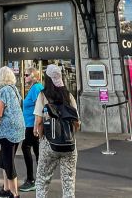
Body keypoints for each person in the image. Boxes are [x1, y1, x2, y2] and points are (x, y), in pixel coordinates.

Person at [34, 64, 80, 198]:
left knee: (42, 178)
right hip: (69, 144)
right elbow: (76, 122)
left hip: (49, 143)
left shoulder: (43, 95)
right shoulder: (68, 96)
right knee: (69, 181)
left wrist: (40, 136)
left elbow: (38, 122)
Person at [0, 67, 25, 198]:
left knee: (8, 162)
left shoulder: (4, 91)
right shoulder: (14, 89)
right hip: (17, 129)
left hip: (8, 132)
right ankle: (6, 189)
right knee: (4, 160)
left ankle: (14, 193)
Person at [18, 68, 43, 193]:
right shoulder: (33, 88)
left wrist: (35, 126)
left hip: (32, 125)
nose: (24, 77)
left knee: (26, 147)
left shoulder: (36, 88)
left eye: (26, 75)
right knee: (37, 151)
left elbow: (40, 107)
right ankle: (39, 180)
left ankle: (31, 180)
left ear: (33, 76)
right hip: (29, 124)